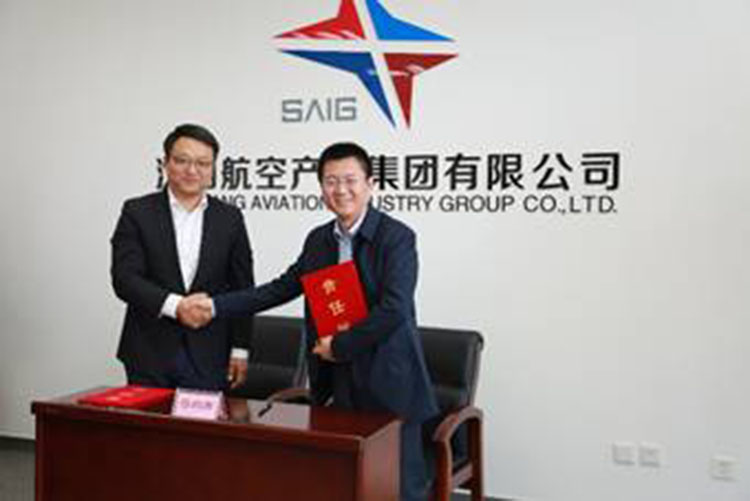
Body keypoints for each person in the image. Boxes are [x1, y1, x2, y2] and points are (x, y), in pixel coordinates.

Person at [182, 142, 438, 500]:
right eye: (331, 181)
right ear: (321, 188)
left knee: (398, 485)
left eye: (350, 180)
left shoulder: (396, 237)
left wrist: (341, 345)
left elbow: (395, 308)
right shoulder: (319, 241)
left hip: (390, 378)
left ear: (371, 184)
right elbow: (279, 289)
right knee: (345, 480)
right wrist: (215, 305)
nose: (341, 190)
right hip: (339, 380)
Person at [110, 123, 254, 391]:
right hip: (149, 351)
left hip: (211, 353)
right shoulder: (137, 212)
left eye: (202, 163)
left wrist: (240, 349)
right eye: (182, 160)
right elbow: (125, 279)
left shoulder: (229, 218)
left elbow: (242, 287)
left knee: (203, 420)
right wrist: (176, 306)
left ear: (213, 169)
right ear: (165, 163)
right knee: (148, 420)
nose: (192, 170)